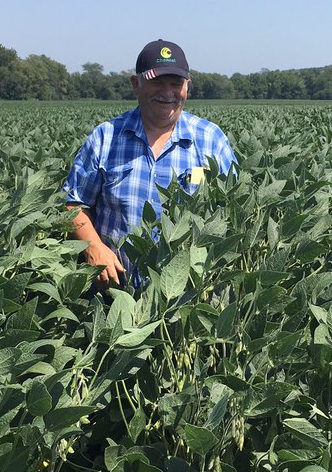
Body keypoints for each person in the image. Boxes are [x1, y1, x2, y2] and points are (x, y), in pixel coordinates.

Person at [65, 39, 236, 289]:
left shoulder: (211, 140)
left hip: (187, 295)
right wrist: (93, 247)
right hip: (114, 291)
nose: (167, 92)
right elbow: (74, 204)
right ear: (136, 84)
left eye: (176, 83)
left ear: (188, 86)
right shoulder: (106, 137)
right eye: (157, 81)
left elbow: (233, 209)